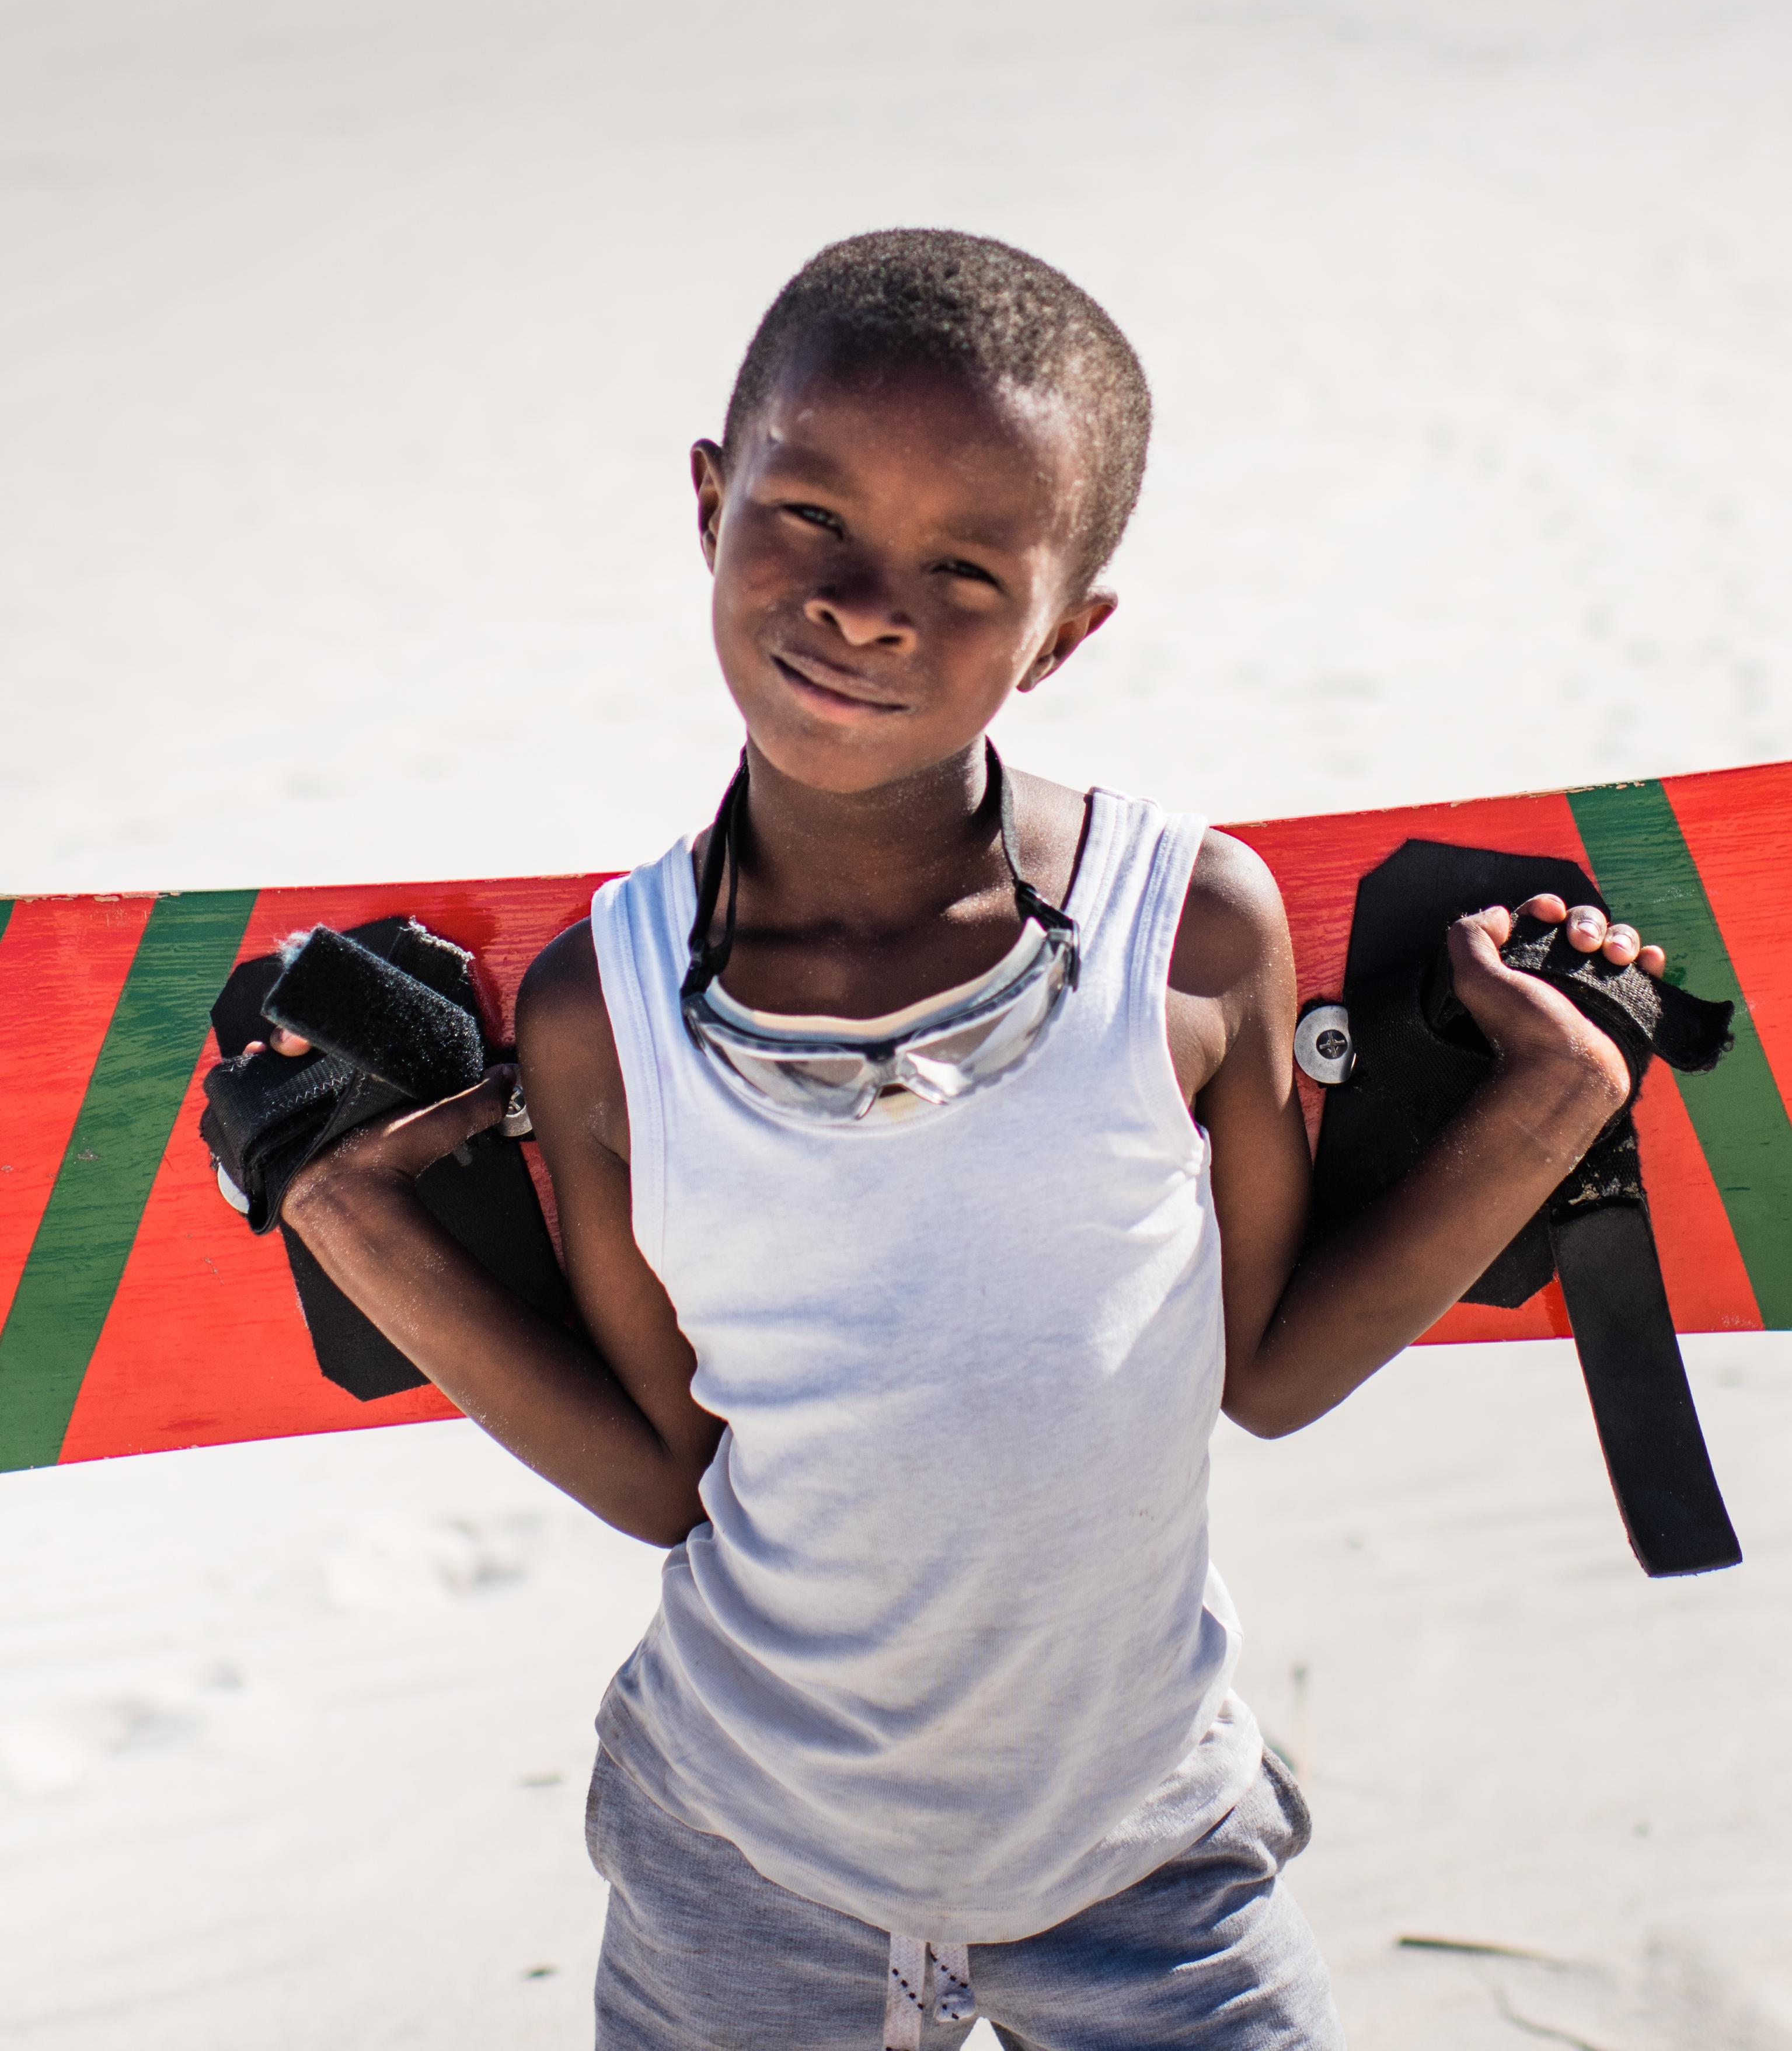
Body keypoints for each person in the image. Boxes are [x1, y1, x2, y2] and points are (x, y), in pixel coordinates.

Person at [278, 229, 1665, 2050]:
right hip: (744, 1867)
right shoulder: (600, 1013)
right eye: (812, 524)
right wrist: (344, 1212)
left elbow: (1270, 1372)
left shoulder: (1195, 939)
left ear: (1065, 633)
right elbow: (664, 1478)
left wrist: (1559, 1096)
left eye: (964, 568)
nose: (868, 608)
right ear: (709, 505)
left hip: (1147, 1869)